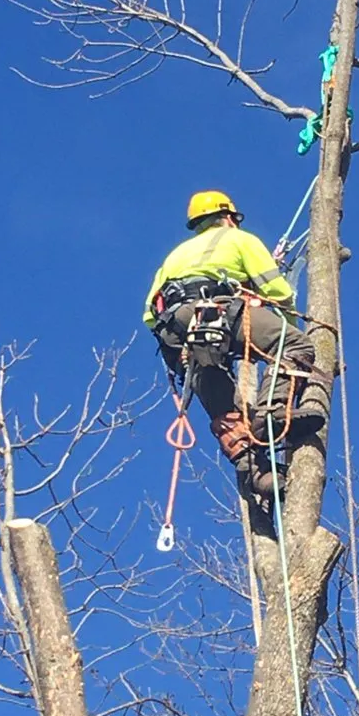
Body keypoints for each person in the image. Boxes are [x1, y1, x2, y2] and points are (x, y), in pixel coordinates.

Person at [144, 190, 325, 496]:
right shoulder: (241, 239)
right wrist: (288, 329)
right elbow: (278, 290)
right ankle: (273, 411)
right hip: (220, 310)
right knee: (294, 346)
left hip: (175, 330)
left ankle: (257, 472)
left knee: (220, 398)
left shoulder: (173, 257)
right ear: (228, 217)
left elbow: (149, 314)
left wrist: (182, 349)